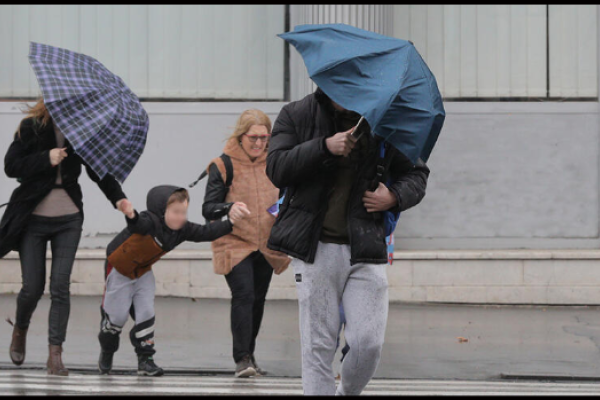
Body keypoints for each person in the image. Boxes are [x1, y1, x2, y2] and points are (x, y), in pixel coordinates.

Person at [266, 87, 430, 395]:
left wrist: (394, 196)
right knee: (318, 346)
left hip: (365, 247)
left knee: (369, 343)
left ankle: (347, 392)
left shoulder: (386, 119)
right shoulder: (296, 114)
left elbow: (417, 174)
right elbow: (276, 168)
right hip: (315, 248)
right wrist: (324, 147)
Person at [1, 98, 133, 375]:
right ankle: (21, 329)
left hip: (68, 220)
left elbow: (100, 172)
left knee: (60, 286)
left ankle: (55, 355)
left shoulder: (81, 133)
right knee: (33, 288)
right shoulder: (31, 127)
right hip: (33, 220)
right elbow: (11, 166)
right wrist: (45, 158)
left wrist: (119, 199)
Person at [97, 185, 243, 376]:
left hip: (143, 272)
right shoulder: (149, 221)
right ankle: (107, 351)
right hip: (119, 269)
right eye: (175, 212)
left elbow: (205, 232)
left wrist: (230, 222)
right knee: (117, 319)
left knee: (146, 313)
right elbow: (137, 224)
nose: (181, 217)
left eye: (184, 212)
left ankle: (146, 360)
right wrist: (130, 214)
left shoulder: (182, 229)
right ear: (161, 210)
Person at [202, 109, 291, 378]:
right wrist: (229, 208)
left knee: (258, 300)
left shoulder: (275, 163)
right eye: (253, 137)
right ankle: (241, 358)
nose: (259, 143)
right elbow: (208, 208)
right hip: (234, 241)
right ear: (241, 136)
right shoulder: (223, 165)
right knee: (244, 295)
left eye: (265, 138)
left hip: (266, 243)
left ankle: (249, 355)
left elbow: (287, 197)